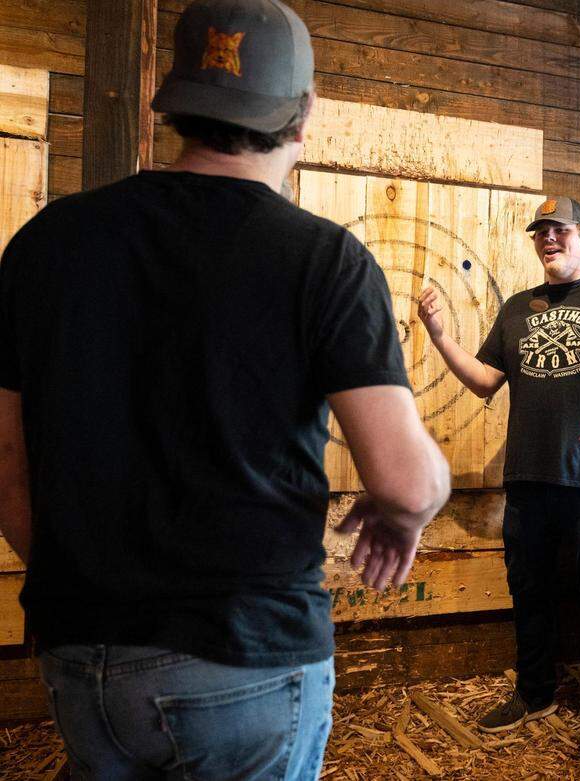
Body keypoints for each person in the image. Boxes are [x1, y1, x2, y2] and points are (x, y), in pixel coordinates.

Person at [0, 1, 450, 778]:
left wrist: (88, 587)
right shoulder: (325, 260)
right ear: (305, 115)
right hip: (247, 656)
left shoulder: (47, 240)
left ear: (176, 103)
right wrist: (410, 510)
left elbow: (5, 458)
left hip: (81, 657)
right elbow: (405, 484)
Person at [417, 195, 580, 779]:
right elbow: (483, 382)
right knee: (528, 588)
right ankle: (535, 693)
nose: (547, 239)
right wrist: (439, 335)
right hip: (528, 477)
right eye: (539, 233)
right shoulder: (518, 309)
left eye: (558, 229)